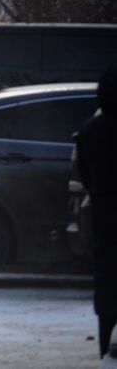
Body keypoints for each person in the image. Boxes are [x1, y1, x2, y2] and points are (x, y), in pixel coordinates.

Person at [74, 67, 117, 360]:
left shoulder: (91, 131)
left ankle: (105, 349)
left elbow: (87, 177)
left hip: (107, 217)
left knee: (108, 284)